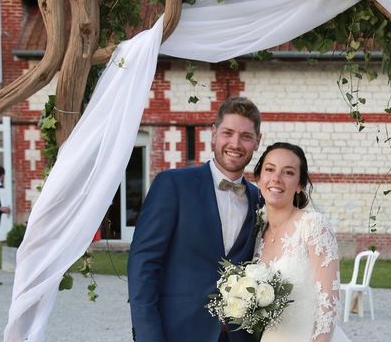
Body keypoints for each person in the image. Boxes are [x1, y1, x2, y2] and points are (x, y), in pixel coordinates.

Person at [128, 97, 263, 342]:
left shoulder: (258, 199)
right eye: (228, 133)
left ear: (257, 141)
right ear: (213, 134)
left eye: (245, 136)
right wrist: (148, 336)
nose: (235, 143)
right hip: (177, 333)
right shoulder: (173, 185)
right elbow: (143, 264)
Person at [253, 142, 351, 342]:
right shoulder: (256, 233)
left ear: (299, 184)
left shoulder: (313, 225)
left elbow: (329, 303)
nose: (276, 179)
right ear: (259, 177)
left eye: (288, 173)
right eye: (270, 169)